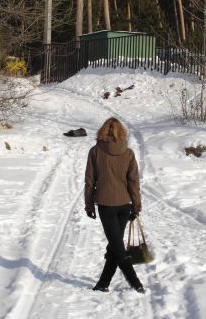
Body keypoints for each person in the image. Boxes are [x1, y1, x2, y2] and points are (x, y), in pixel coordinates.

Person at [84, 117, 145, 293]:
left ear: (103, 131)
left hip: (106, 205)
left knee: (116, 247)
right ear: (122, 133)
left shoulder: (95, 151)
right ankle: (103, 283)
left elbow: (89, 181)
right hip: (124, 205)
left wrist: (89, 205)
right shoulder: (128, 153)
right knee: (115, 244)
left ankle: (135, 283)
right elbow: (134, 182)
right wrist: (136, 205)